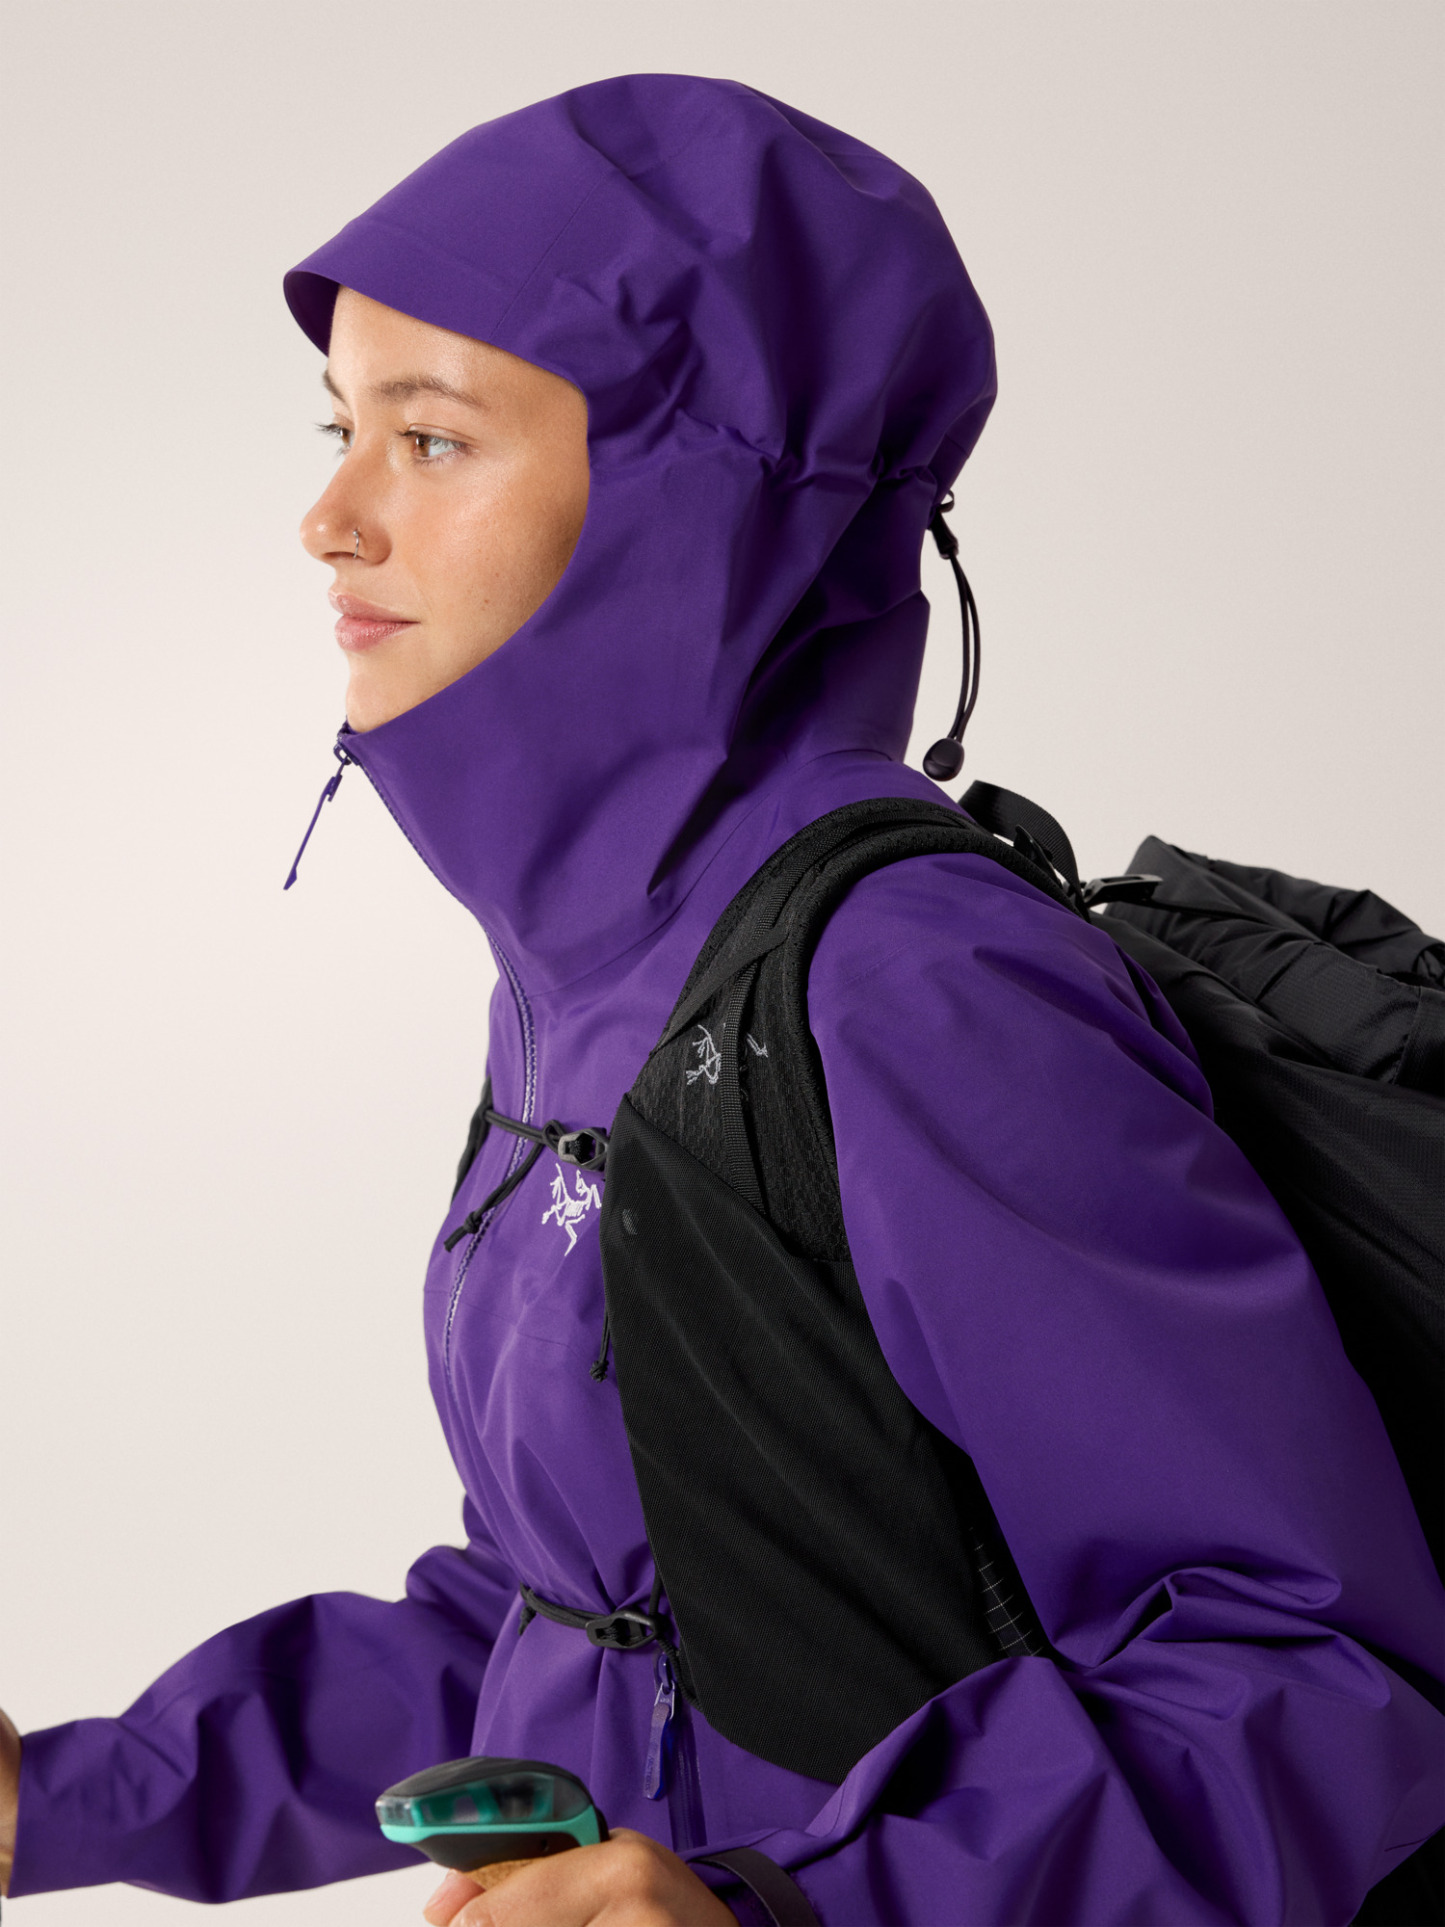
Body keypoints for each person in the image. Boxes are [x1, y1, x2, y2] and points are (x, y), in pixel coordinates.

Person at [2, 74, 1441, 1926]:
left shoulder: (912, 987)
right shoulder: (599, 974)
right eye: (339, 427)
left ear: (686, 500)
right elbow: (577, 1618)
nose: (330, 516)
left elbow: (1305, 1676)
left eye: (429, 439)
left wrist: (790, 1906)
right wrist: (61, 1802)